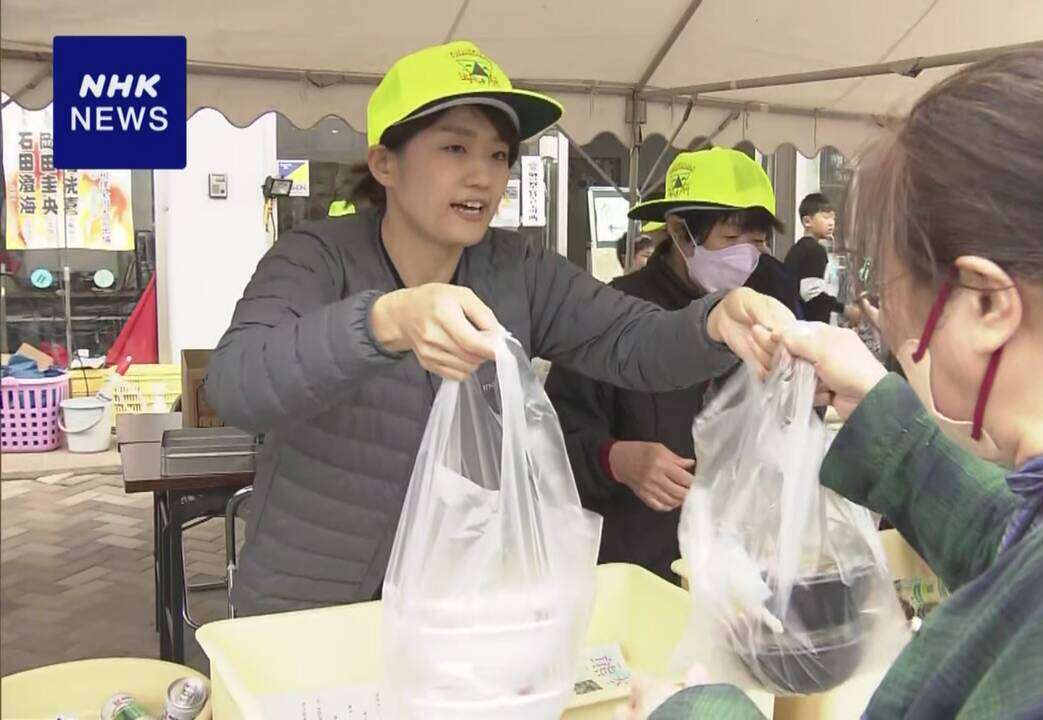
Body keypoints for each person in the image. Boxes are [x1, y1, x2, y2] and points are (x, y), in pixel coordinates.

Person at [645, 49, 1043, 719]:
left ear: (984, 304)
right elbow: (1031, 549)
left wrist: (693, 709)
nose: (891, 329)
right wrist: (886, 418)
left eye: (890, 292)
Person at [205, 42, 795, 617]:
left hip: (456, 609)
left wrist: (712, 325)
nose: (483, 177)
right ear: (386, 163)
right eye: (456, 148)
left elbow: (631, 341)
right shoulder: (316, 257)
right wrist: (383, 322)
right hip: (309, 608)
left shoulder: (518, 269)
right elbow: (237, 383)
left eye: (499, 156)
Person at [544, 147, 802, 583]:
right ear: (682, 234)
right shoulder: (611, 314)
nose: (746, 257)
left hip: (736, 568)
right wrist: (615, 458)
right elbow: (550, 444)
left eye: (756, 243)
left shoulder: (765, 309)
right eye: (730, 239)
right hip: (636, 570)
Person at [784, 192, 850, 324]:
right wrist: (845, 310)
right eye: (825, 217)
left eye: (833, 218)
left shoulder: (796, 249)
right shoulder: (815, 251)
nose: (831, 223)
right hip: (811, 327)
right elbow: (812, 294)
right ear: (807, 221)